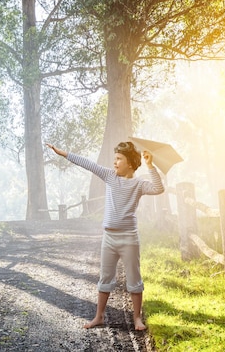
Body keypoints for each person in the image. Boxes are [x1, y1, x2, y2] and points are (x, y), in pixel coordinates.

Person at [46, 141, 164, 331]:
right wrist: (64, 153)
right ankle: (98, 317)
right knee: (105, 278)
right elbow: (88, 164)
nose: (115, 163)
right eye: (114, 159)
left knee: (134, 279)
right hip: (109, 239)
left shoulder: (139, 184)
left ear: (131, 163)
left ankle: (137, 319)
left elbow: (159, 188)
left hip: (129, 239)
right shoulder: (110, 176)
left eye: (119, 159)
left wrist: (150, 166)